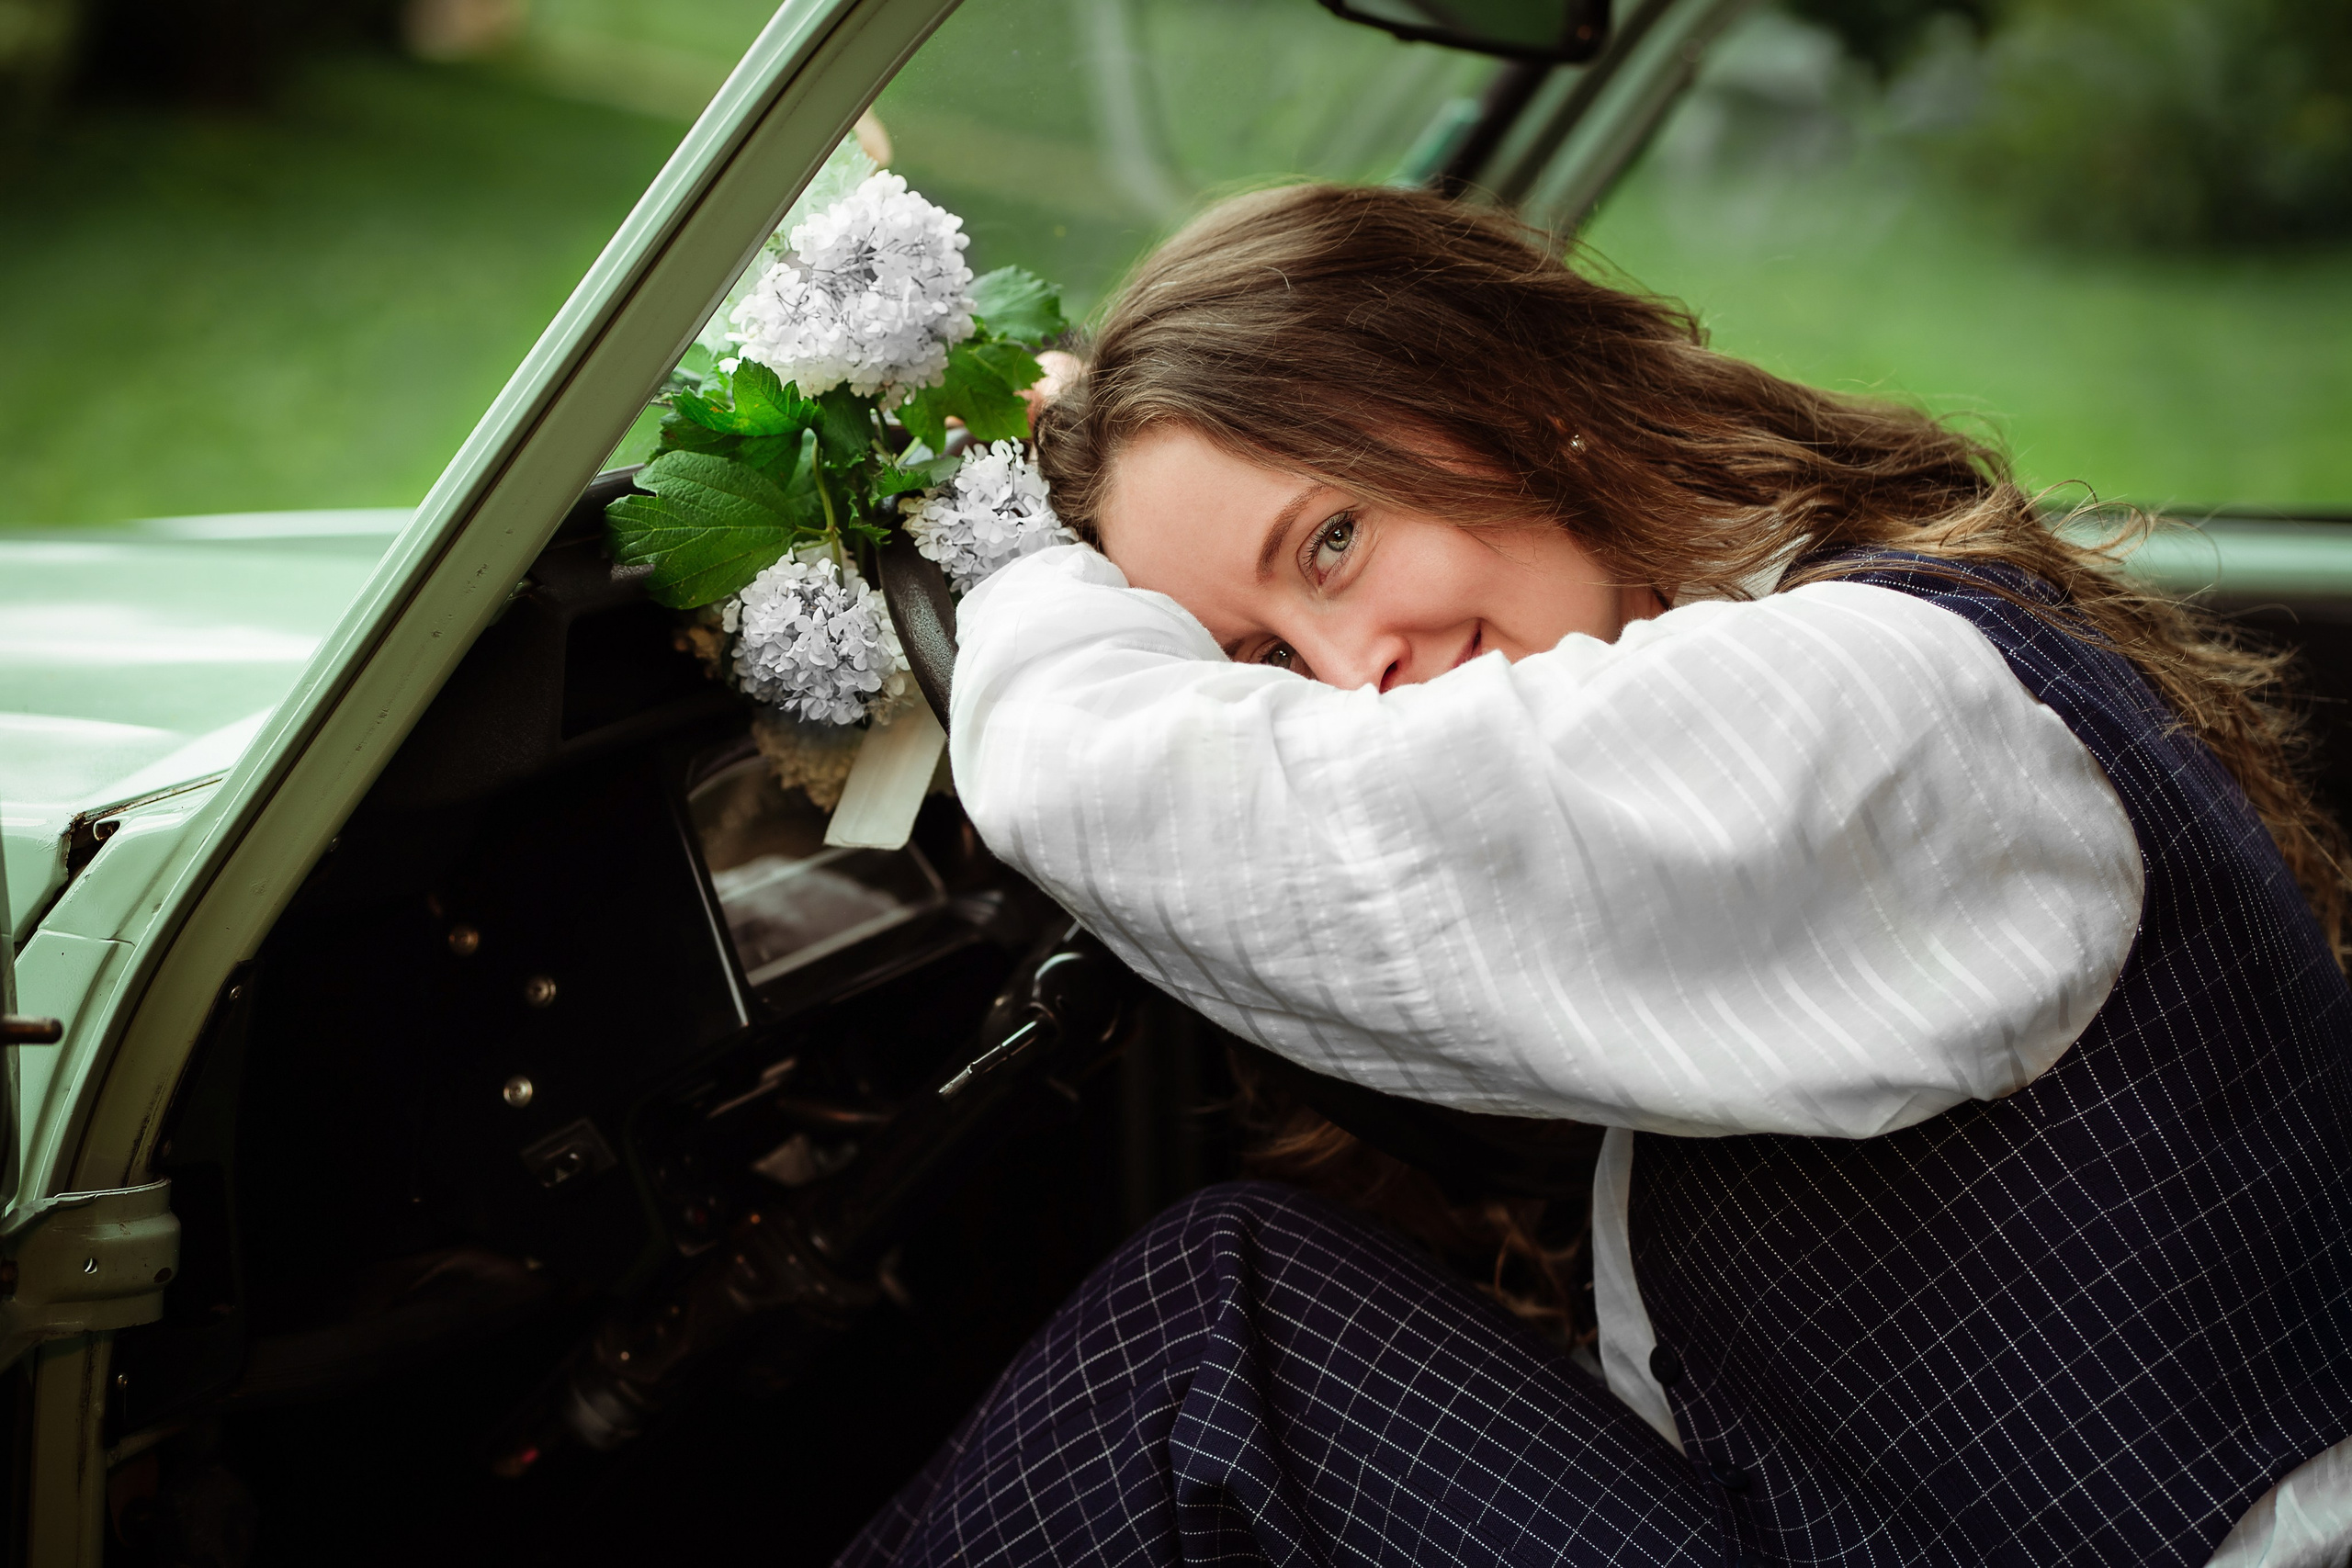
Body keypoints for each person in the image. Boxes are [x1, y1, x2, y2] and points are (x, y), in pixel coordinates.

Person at [838, 184, 2352, 1567]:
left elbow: (1130, 786)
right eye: (1258, 659)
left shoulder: (1867, 704)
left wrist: (1006, 562)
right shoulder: (1788, 648)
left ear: (1506, 398)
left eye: (1336, 541)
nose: (1350, 676)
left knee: (1223, 1335)